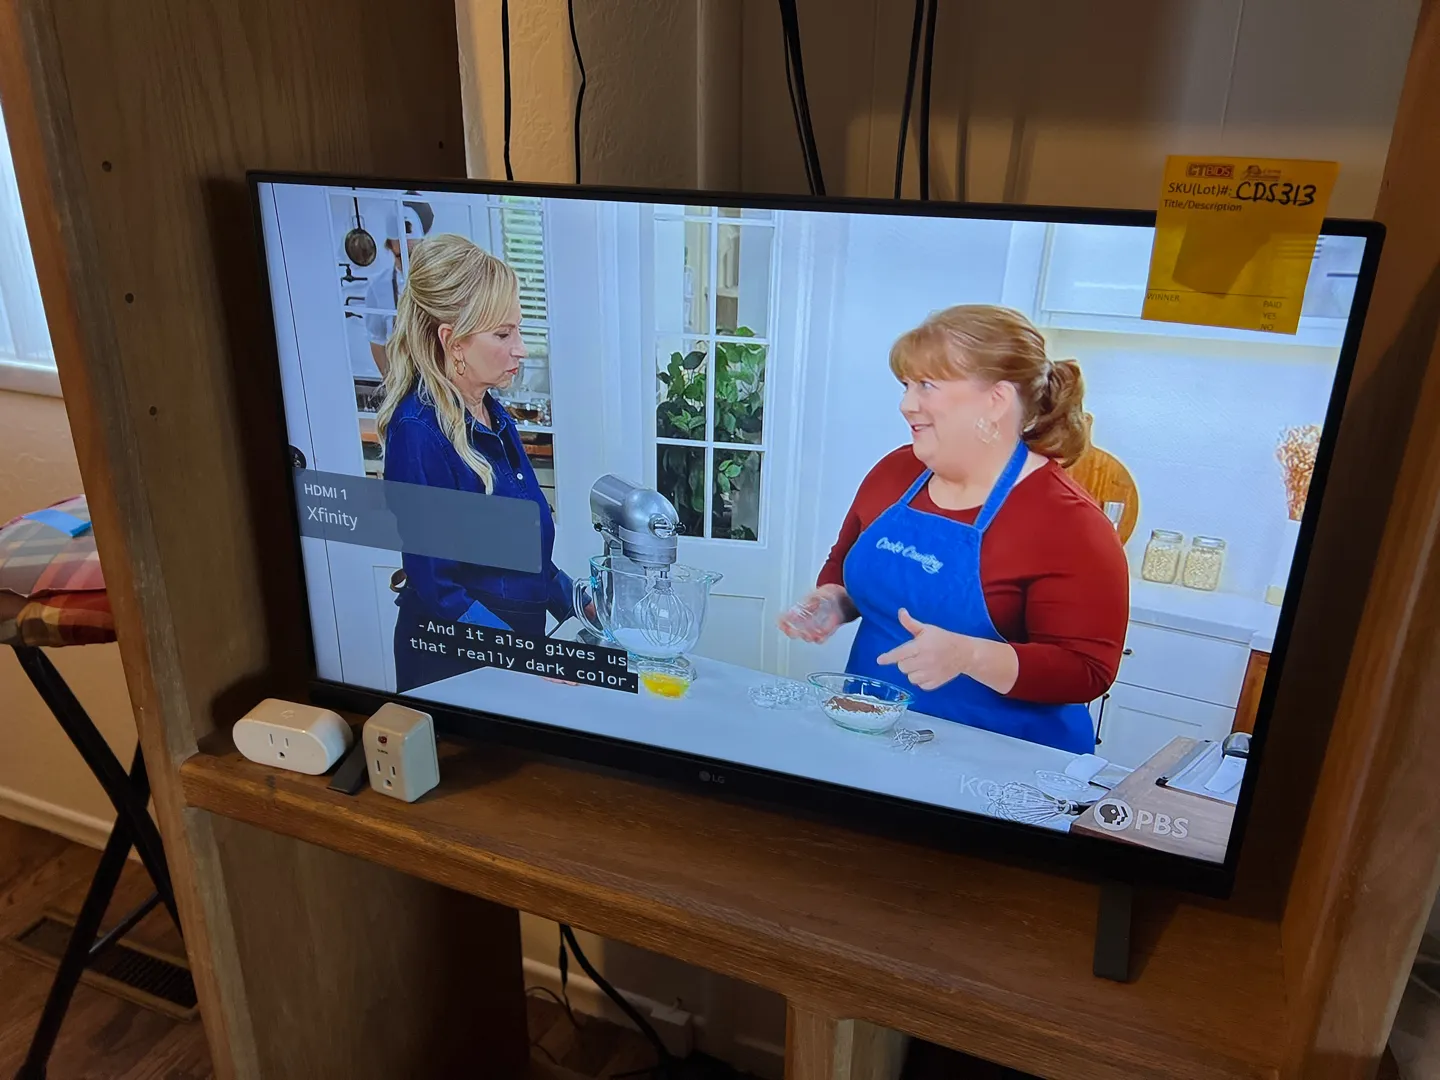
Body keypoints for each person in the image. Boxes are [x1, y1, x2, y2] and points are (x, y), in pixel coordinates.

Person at [779, 305, 1128, 753]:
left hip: (1001, 762)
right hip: (872, 735)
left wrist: (969, 655)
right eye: (906, 385)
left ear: (996, 400)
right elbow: (844, 563)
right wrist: (832, 602)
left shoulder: (1071, 525)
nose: (906, 404)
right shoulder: (894, 473)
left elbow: (1087, 670)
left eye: (927, 385)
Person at [377, 233, 573, 693]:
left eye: (517, 330)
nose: (521, 348)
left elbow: (525, 554)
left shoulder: (493, 416)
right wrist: (524, 657)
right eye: (503, 334)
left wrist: (583, 607)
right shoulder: (418, 431)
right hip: (455, 666)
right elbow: (437, 586)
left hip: (509, 654)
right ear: (453, 341)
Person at [365, 200, 434, 376]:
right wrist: (391, 382)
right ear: (390, 247)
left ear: (423, 245)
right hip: (404, 377)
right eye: (399, 256)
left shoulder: (440, 279)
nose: (407, 263)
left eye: (411, 254)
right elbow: (377, 340)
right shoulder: (377, 287)